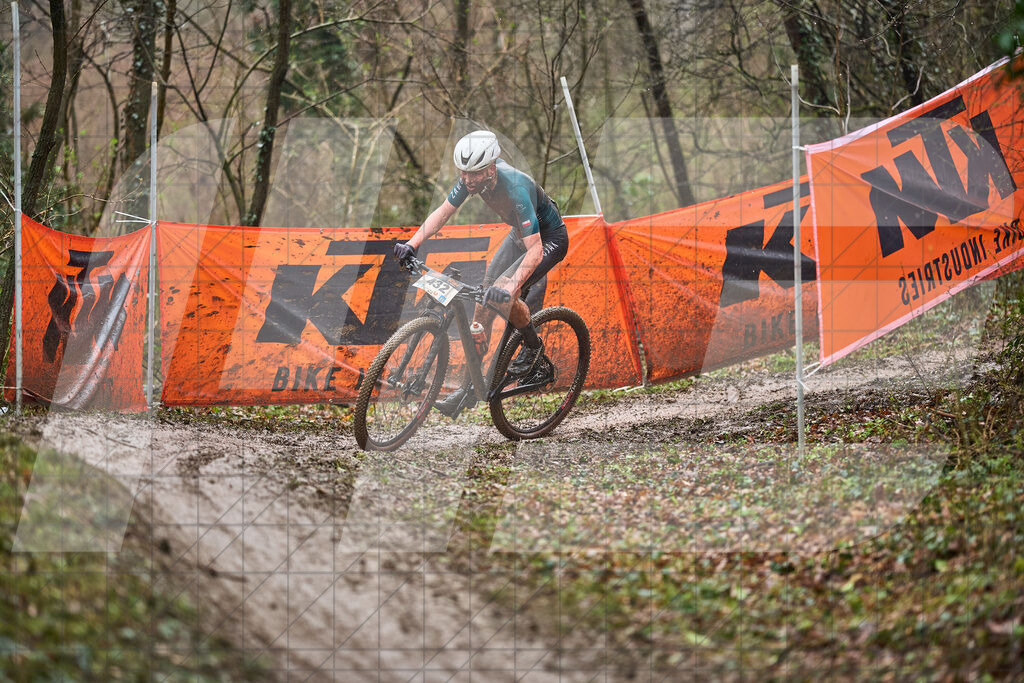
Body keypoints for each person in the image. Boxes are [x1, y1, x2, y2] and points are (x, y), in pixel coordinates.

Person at [393, 130, 569, 417]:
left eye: (474, 173)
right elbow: (443, 212)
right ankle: (469, 390)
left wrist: (510, 286)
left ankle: (532, 347)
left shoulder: (516, 187)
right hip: (518, 236)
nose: (467, 179)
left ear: (491, 168)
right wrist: (412, 244)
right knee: (481, 308)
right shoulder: (470, 180)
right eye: (463, 173)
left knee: (502, 294)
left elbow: (535, 250)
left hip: (548, 240)